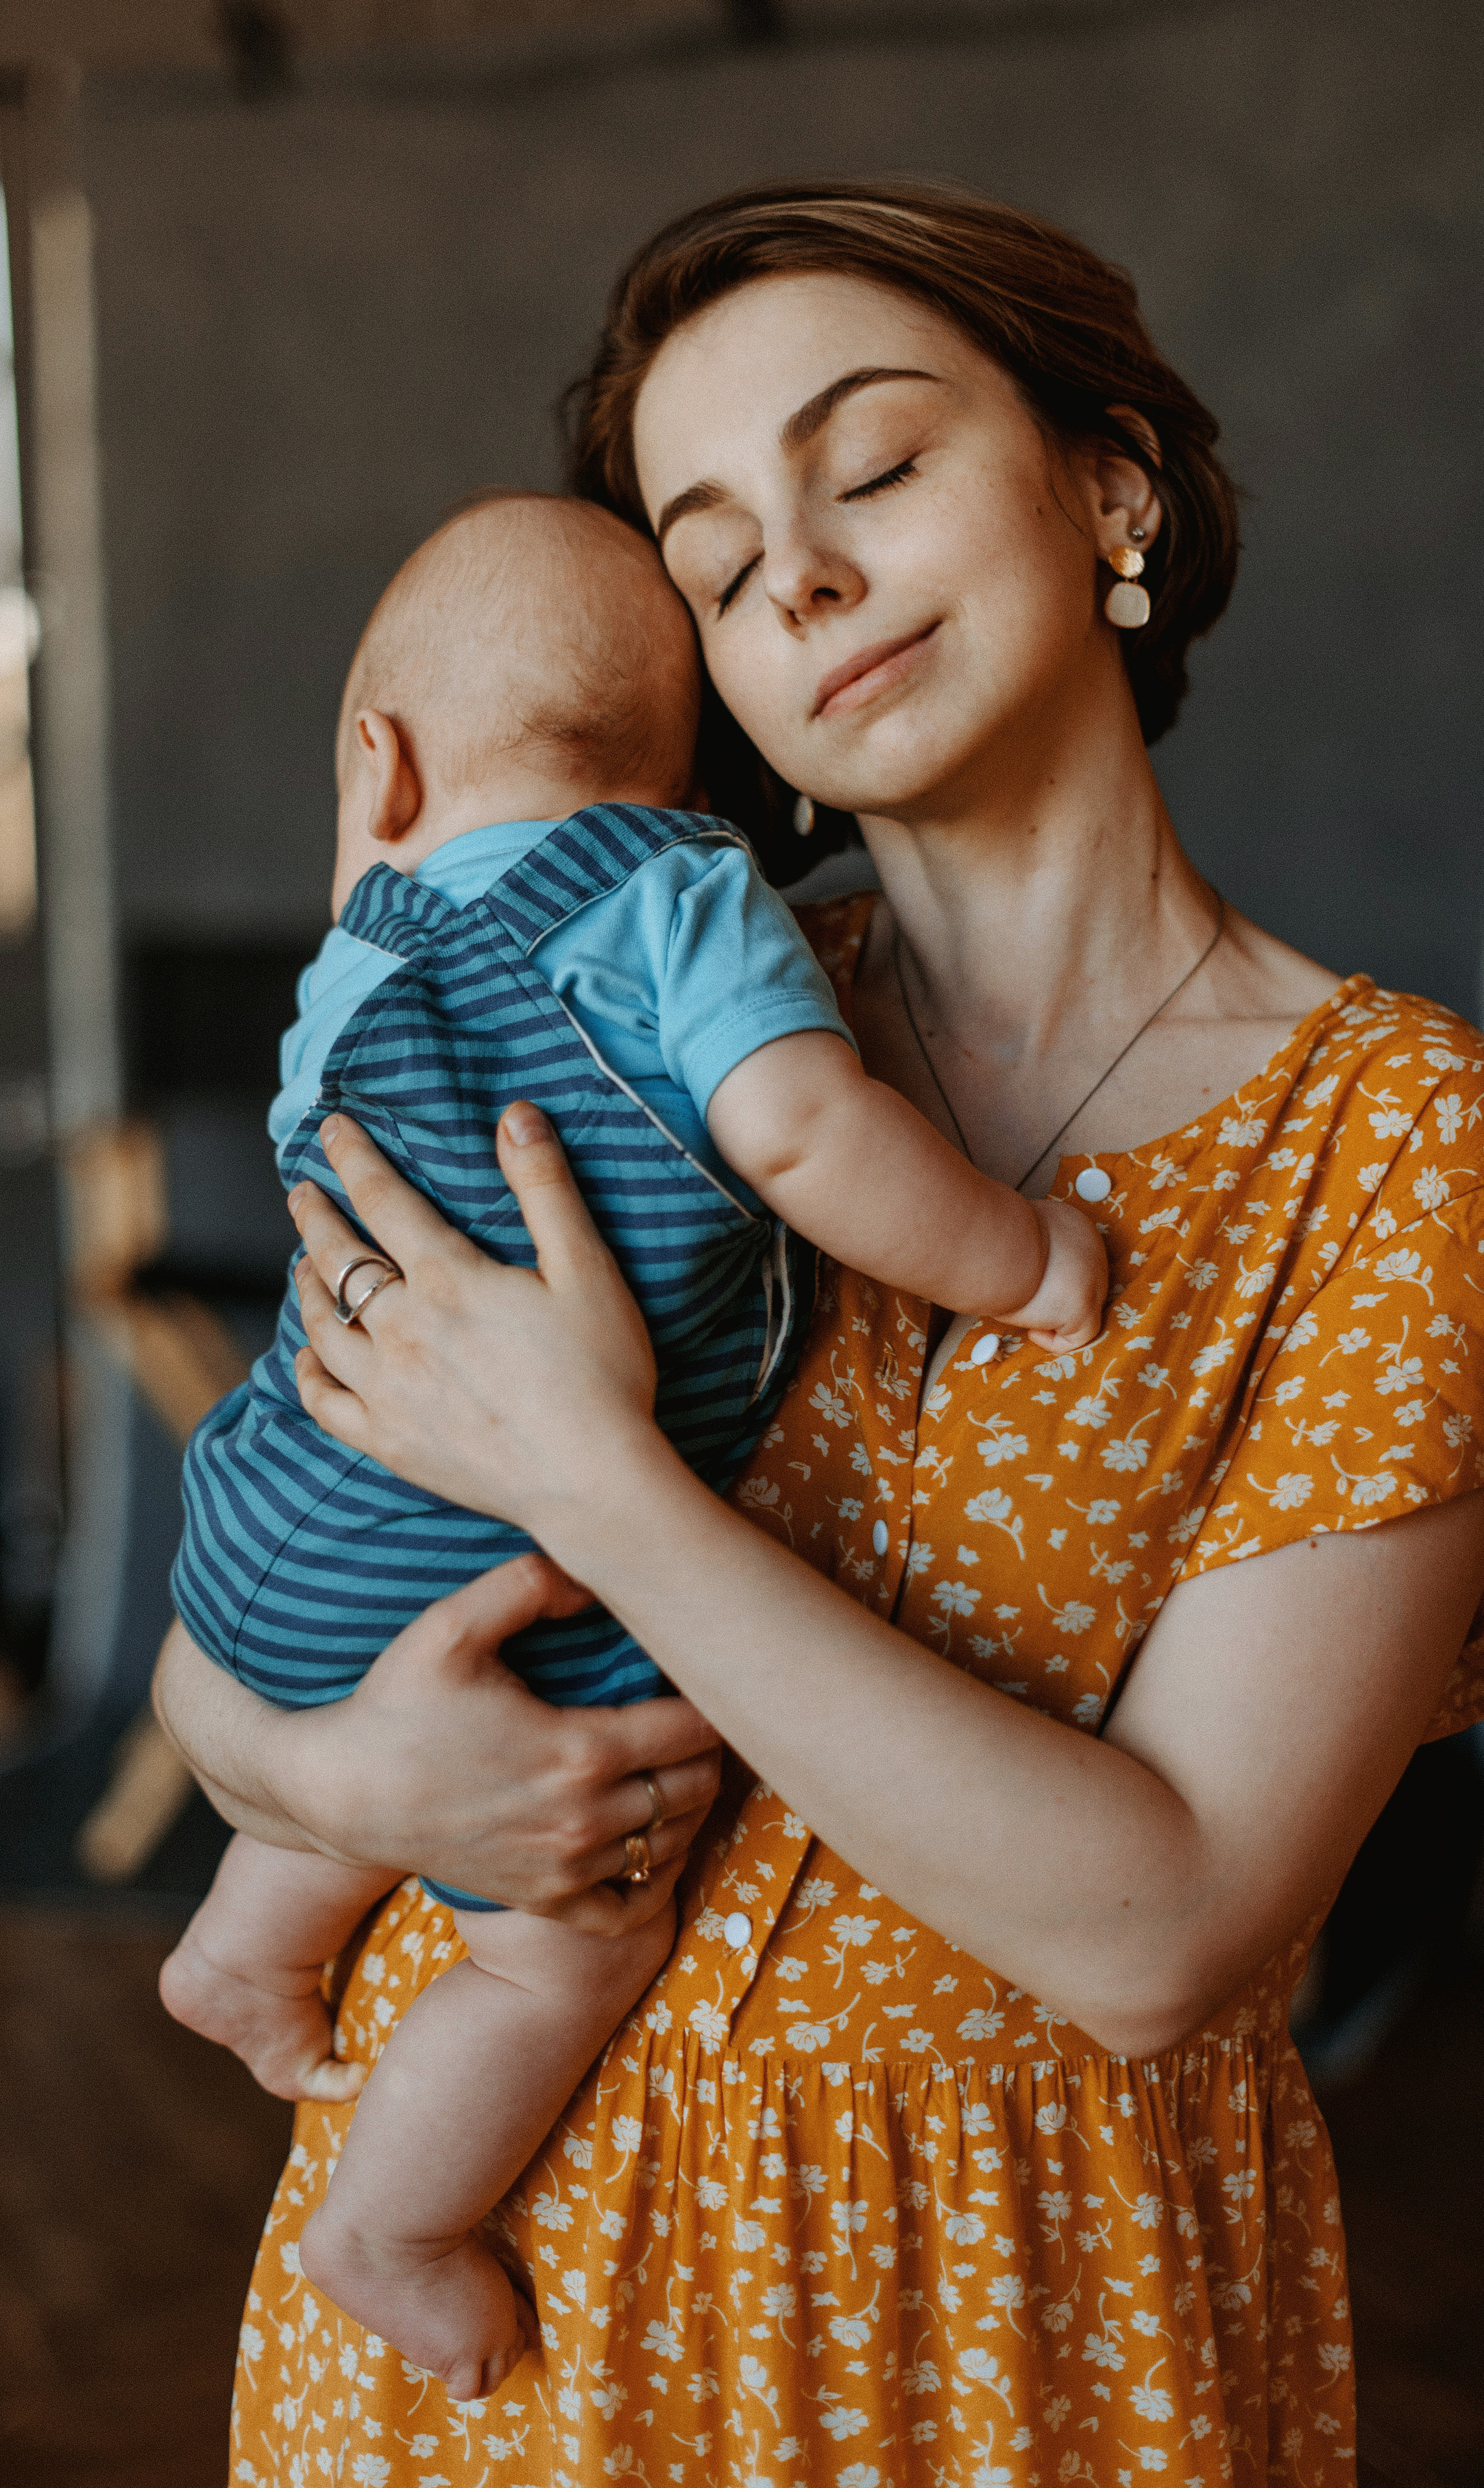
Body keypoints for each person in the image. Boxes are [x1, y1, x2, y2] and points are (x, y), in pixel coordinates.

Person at [152, 181, 1484, 2485]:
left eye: (871, 468)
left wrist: (602, 1492)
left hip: (1003, 2341)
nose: (799, 570)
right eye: (705, 550)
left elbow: (1163, 1925)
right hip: (484, 2328)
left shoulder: (1404, 1145)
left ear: (1111, 484)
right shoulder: (576, 1026)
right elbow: (278, 1556)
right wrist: (352, 1788)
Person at [159, 489, 1106, 2401]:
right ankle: (398, 2216)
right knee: (568, 1940)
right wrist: (1019, 1256)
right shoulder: (675, 897)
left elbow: (325, 1194)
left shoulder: (358, 955)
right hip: (493, 1545)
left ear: (381, 763)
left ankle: (248, 1936)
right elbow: (802, 1138)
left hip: (272, 1489)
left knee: (348, 1652)